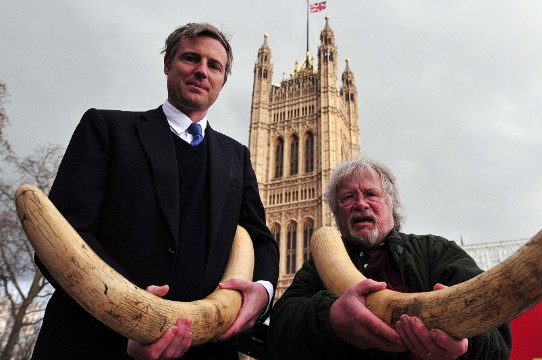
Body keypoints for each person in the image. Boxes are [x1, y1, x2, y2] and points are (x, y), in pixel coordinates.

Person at [31, 22, 279, 359]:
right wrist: (134, 316)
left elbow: (259, 238)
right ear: (168, 64)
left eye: (214, 66)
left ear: (222, 81)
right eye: (191, 58)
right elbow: (62, 237)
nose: (201, 71)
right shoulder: (107, 129)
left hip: (205, 349)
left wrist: (262, 293)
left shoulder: (237, 156)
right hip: (96, 342)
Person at [268, 157, 511, 360]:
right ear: (335, 213)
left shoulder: (435, 252)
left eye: (371, 194)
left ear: (390, 204)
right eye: (348, 197)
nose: (360, 204)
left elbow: (496, 331)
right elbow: (281, 331)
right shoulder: (318, 268)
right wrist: (330, 320)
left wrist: (467, 345)